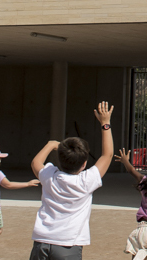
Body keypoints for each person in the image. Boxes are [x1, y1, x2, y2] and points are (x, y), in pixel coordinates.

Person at [28, 101, 114, 260]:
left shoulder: (49, 175)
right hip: (68, 244)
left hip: (42, 241)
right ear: (84, 164)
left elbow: (35, 163)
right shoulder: (86, 181)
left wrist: (50, 145)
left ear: (59, 160)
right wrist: (105, 124)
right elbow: (107, 155)